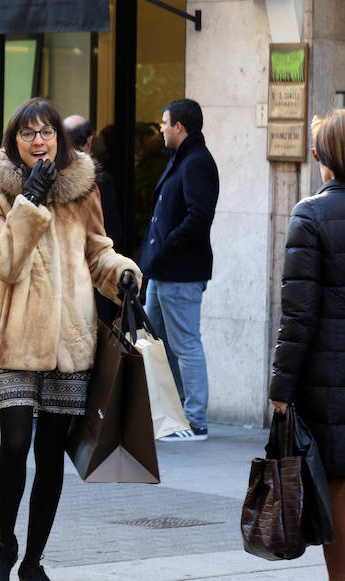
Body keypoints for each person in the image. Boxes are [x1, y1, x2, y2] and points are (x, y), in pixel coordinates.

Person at [0, 98, 140, 581]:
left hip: (70, 342)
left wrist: (124, 274)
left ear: (59, 139)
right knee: (14, 443)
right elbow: (1, 262)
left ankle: (33, 561)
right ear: (14, 140)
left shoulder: (82, 189)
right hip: (13, 340)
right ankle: (4, 545)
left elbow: (97, 253)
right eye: (27, 133)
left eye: (46, 132)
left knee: (51, 453)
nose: (38, 140)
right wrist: (28, 201)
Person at [269, 109, 345, 581]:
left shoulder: (311, 213)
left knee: (336, 482)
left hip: (328, 378)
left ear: (323, 158)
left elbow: (298, 314)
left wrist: (281, 388)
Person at [137, 98, 218, 442]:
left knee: (185, 344)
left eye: (165, 123)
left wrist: (167, 246)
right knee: (157, 342)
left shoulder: (197, 162)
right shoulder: (182, 159)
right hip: (162, 271)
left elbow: (198, 218)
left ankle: (195, 419)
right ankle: (172, 413)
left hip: (180, 271)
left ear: (179, 127)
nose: (161, 129)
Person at [64, 114, 123, 326]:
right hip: (89, 277)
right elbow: (110, 232)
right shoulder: (97, 181)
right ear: (89, 141)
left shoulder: (45, 177)